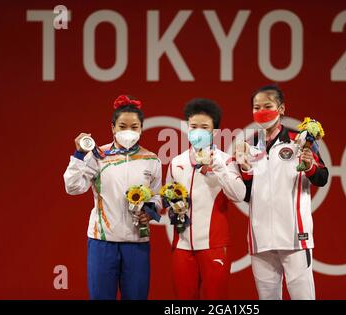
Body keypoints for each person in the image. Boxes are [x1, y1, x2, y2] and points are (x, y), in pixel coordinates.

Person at [63, 94, 162, 300]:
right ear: (112, 127)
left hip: (137, 242)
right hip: (102, 242)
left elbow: (157, 197)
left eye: (134, 127)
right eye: (123, 126)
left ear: (141, 128)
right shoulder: (99, 156)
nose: (129, 131)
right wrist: (79, 155)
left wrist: (149, 213)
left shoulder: (151, 159)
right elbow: (72, 187)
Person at [238, 85, 329, 300]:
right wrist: (244, 169)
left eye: (267, 106)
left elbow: (322, 177)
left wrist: (310, 167)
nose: (261, 111)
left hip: (294, 237)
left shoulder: (301, 140)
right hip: (261, 239)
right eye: (256, 107)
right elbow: (247, 194)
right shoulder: (251, 145)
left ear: (281, 109)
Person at [165, 98, 246, 299]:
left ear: (214, 132)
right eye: (193, 126)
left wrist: (218, 167)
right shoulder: (176, 162)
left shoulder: (226, 160)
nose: (198, 131)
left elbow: (239, 195)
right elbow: (167, 198)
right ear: (187, 127)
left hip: (214, 246)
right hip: (182, 246)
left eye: (204, 127)